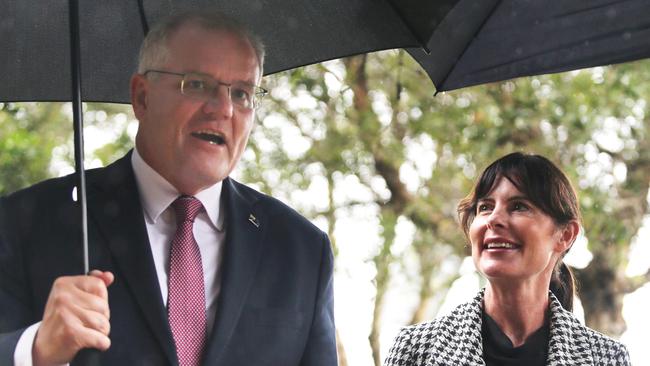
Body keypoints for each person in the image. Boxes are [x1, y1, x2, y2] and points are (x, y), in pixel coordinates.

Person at [0, 9, 337, 366]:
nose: (222, 109)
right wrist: (36, 350)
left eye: (241, 93)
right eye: (196, 84)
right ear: (141, 97)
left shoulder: (301, 251)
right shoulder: (27, 223)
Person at [384, 152, 630, 366]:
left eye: (519, 206)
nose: (493, 219)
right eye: (485, 207)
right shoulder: (414, 351)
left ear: (565, 235)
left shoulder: (607, 358)